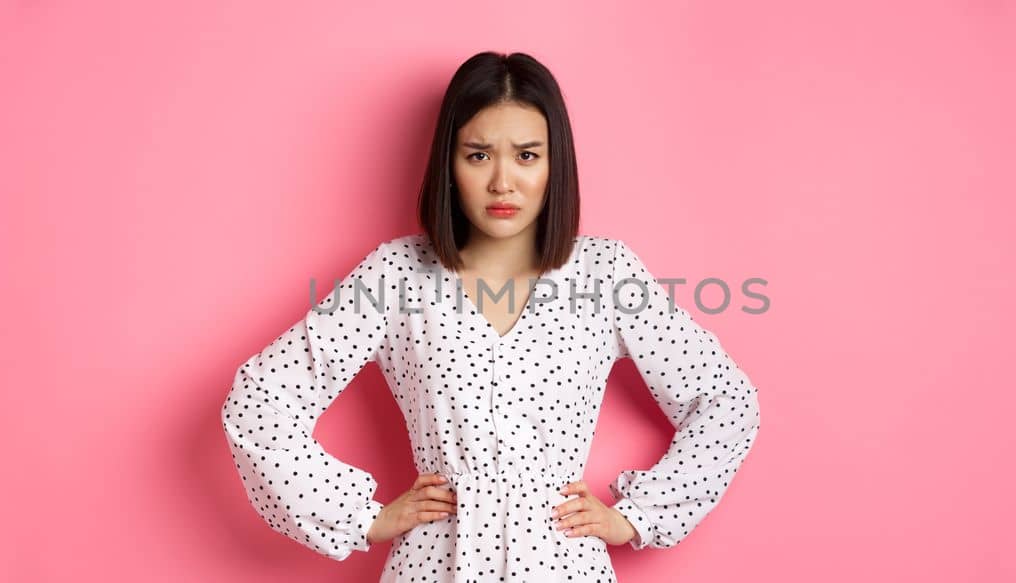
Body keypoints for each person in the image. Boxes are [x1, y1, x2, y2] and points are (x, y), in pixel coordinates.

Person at [221, 50, 761, 583]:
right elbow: (259, 402)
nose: (503, 182)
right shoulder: (396, 276)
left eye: (527, 156)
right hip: (436, 564)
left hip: (563, 565)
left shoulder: (606, 274)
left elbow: (724, 399)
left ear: (555, 164)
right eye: (478, 155)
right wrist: (359, 517)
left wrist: (640, 515)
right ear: (449, 165)